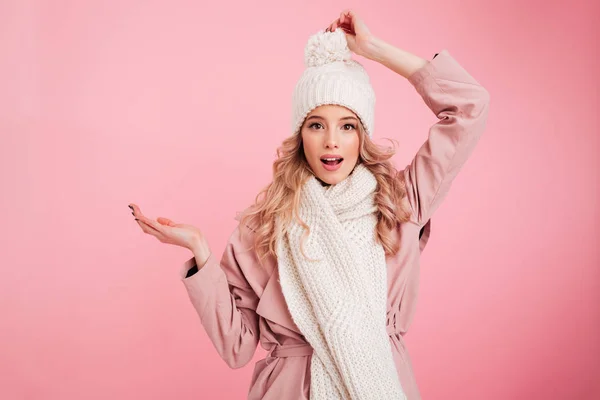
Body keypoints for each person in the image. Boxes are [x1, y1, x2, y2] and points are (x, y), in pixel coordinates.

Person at [129, 9, 490, 400]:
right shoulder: (263, 227)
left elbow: (470, 107)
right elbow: (238, 348)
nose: (331, 140)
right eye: (316, 124)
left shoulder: (399, 203)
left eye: (347, 126)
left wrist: (372, 49)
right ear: (300, 135)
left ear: (361, 136)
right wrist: (200, 250)